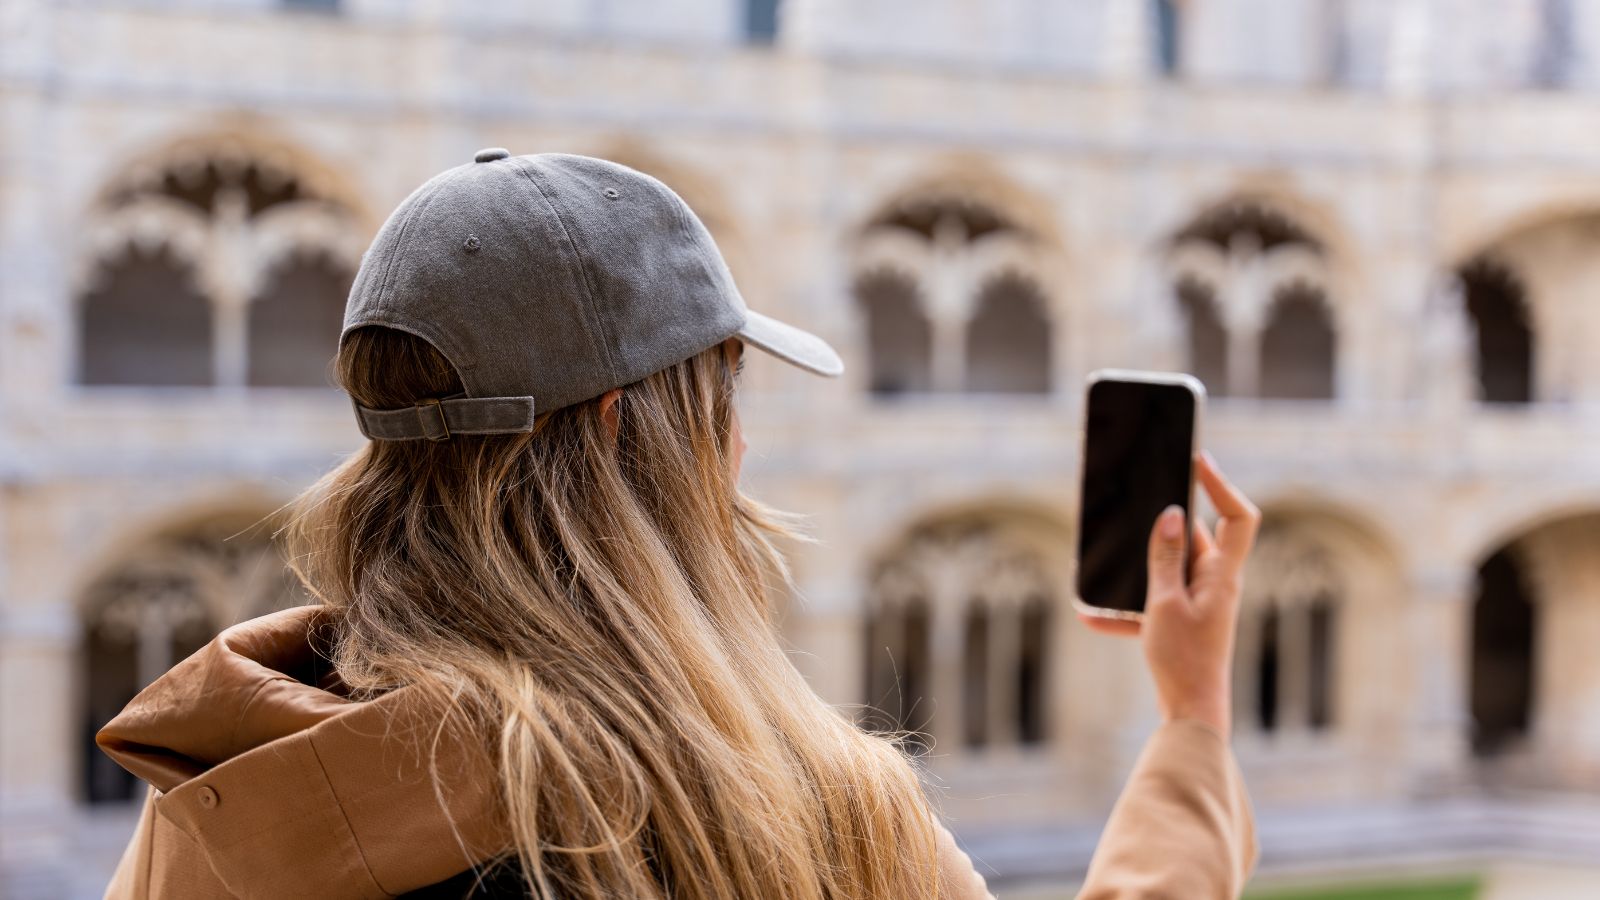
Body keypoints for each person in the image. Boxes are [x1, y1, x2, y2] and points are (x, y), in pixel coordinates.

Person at [96, 151, 1261, 899]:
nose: (738, 450)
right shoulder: (806, 821)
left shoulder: (217, 805)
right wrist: (1192, 721)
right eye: (720, 405)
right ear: (625, 432)